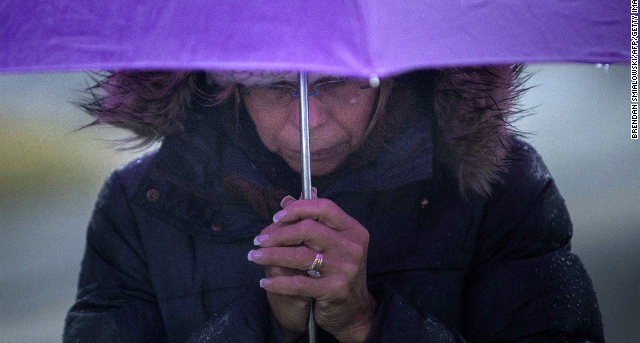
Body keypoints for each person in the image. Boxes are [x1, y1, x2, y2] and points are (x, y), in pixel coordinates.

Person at [63, 66, 604, 343]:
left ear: (388, 75)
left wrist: (368, 322)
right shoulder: (142, 207)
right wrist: (267, 324)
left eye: (335, 83)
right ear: (227, 89)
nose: (309, 121)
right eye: (276, 86)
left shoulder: (497, 187)